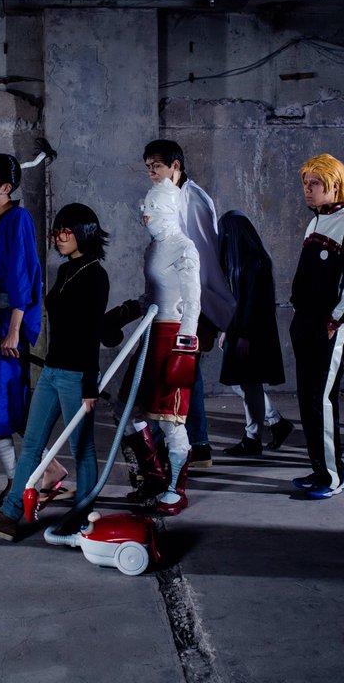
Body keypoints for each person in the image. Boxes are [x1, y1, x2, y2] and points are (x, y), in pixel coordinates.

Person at [0, 203, 111, 541]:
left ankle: (82, 519)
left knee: (82, 449)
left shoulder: (95, 275)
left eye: (66, 231)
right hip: (51, 371)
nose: (58, 237)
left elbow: (91, 334)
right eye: (56, 230)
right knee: (32, 444)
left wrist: (89, 386)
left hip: (76, 376)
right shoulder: (65, 270)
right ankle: (9, 515)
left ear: (84, 233)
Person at [0, 153, 66, 507]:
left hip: (7, 321)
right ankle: (42, 472)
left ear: (6, 187)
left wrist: (15, 329)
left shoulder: (17, 219)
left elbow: (23, 276)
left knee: (2, 401)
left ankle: (28, 478)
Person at [105, 179, 201, 516]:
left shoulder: (185, 247)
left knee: (171, 420)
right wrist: (124, 312)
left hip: (172, 338)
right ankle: (154, 477)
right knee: (125, 411)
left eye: (154, 208)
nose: (146, 215)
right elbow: (151, 297)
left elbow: (192, 303)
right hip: (149, 335)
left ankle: (176, 489)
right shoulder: (152, 249)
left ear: (169, 209)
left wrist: (184, 349)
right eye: (146, 208)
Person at [140, 139, 236, 469]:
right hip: (172, 298)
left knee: (182, 372)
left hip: (191, 299)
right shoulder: (165, 195)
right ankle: (192, 444)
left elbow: (204, 254)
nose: (151, 172)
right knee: (180, 374)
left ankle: (194, 445)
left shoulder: (192, 197)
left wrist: (200, 306)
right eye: (148, 166)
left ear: (176, 166)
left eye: (157, 165)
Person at [289, 153, 344, 500]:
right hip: (304, 325)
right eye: (306, 183)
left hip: (330, 327)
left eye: (315, 183)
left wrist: (335, 319)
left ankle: (333, 477)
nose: (308, 189)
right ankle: (320, 469)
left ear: (334, 185)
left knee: (322, 399)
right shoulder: (314, 223)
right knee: (307, 398)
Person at [216, 210, 292, 456]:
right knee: (245, 383)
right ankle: (273, 424)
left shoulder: (254, 262)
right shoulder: (247, 260)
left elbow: (252, 302)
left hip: (251, 331)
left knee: (248, 383)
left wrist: (243, 334)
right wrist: (228, 330)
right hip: (243, 328)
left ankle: (254, 438)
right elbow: (239, 301)